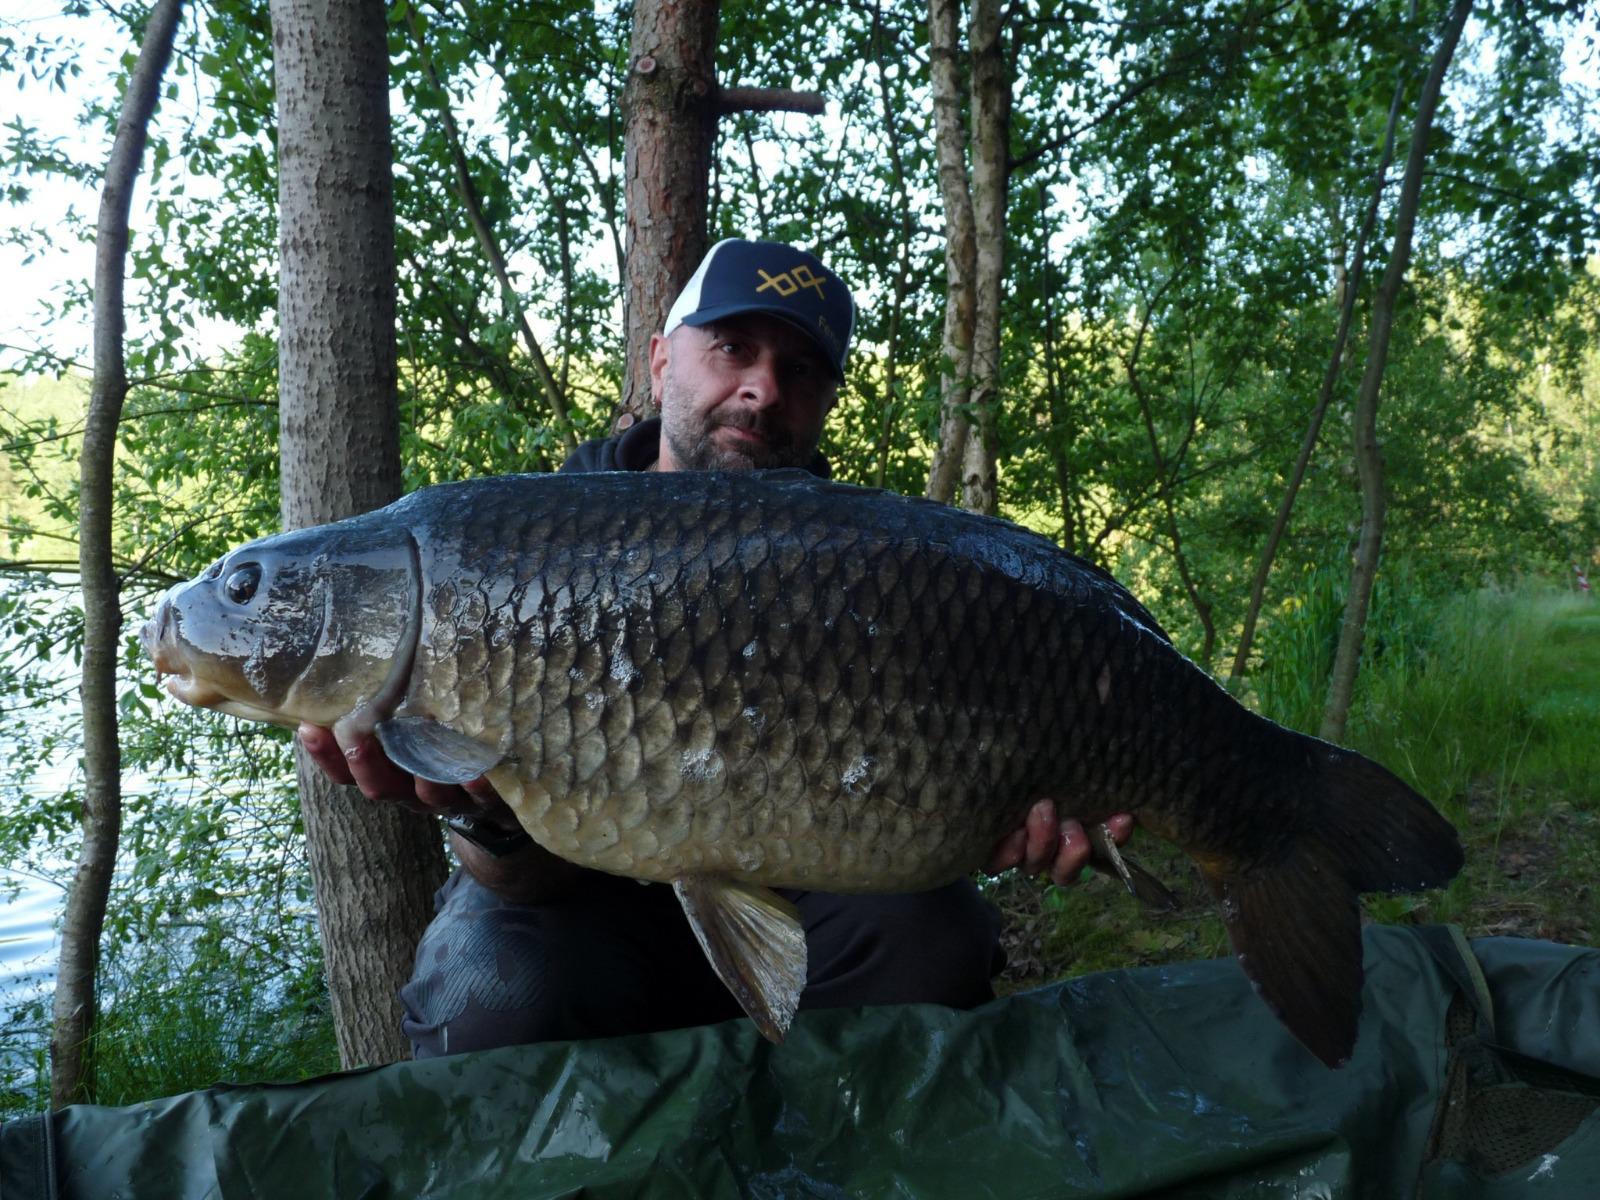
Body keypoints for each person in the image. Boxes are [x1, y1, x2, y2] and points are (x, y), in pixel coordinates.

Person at [299, 238, 1134, 1056]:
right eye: (733, 347)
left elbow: (961, 793)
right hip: (580, 894)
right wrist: (480, 813)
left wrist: (1009, 819)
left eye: (800, 370)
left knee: (935, 941)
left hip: (815, 872)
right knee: (485, 1000)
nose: (763, 389)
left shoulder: (875, 567)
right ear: (661, 362)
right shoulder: (529, 551)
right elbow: (522, 878)